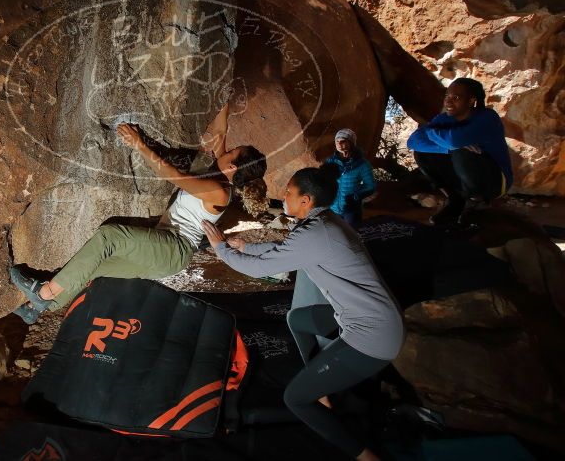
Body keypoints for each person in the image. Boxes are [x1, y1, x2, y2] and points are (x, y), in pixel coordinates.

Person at [201, 164, 404, 461]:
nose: (284, 196)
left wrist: (222, 248)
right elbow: (286, 249)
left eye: (289, 192)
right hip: (370, 319)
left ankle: (367, 457)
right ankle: (322, 390)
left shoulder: (316, 232)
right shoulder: (324, 223)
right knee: (298, 319)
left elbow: (258, 268)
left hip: (372, 337)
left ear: (306, 200)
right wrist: (245, 246)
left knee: (295, 399)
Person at [11, 104, 268, 324]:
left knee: (110, 236)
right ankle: (37, 309)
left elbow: (173, 176)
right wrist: (224, 99)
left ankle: (44, 294)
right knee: (94, 265)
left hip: (173, 249)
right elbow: (221, 133)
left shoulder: (219, 192)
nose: (228, 149)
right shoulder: (221, 173)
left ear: (233, 166)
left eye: (233, 151)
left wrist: (139, 144)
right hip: (165, 247)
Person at [407, 77, 512, 225]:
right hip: (466, 175)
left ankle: (476, 203)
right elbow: (413, 141)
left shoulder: (487, 117)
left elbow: (455, 140)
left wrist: (431, 132)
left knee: (462, 151)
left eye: (455, 97)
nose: (448, 102)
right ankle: (455, 201)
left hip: (495, 182)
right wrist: (446, 147)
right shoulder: (444, 118)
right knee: (422, 153)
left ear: (471, 101)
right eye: (447, 97)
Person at [325, 128, 375, 225]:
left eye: (343, 141)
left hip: (351, 210)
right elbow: (324, 181)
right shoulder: (330, 162)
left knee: (353, 235)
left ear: (351, 143)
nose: (339, 144)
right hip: (332, 208)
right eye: (337, 141)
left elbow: (370, 185)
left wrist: (356, 196)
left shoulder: (362, 164)